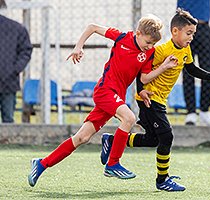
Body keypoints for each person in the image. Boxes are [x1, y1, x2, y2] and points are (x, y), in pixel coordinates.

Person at [28, 14, 178, 187]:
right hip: (105, 90)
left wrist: (162, 69)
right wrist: (78, 46)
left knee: (82, 138)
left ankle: (41, 164)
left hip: (116, 97)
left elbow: (143, 78)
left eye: (153, 44)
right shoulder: (122, 37)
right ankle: (113, 163)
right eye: (148, 42)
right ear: (138, 33)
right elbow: (92, 26)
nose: (150, 47)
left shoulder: (149, 52)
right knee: (128, 118)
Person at [100, 9, 210, 192]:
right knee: (167, 136)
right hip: (150, 99)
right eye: (188, 33)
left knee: (152, 139)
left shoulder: (185, 49)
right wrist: (141, 91)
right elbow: (141, 69)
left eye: (193, 34)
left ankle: (112, 141)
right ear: (175, 31)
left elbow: (190, 69)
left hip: (160, 100)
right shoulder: (161, 50)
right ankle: (162, 180)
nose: (191, 38)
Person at [177, 0, 210, 126]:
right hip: (185, 28)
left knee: (207, 69)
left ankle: (205, 110)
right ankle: (191, 112)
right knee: (188, 70)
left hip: (203, 27)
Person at [0, 13, 33, 123]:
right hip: (9, 78)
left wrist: (15, 69)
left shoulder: (15, 28)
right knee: (8, 118)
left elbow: (26, 50)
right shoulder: (16, 28)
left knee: (8, 119)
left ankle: (7, 140)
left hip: (8, 81)